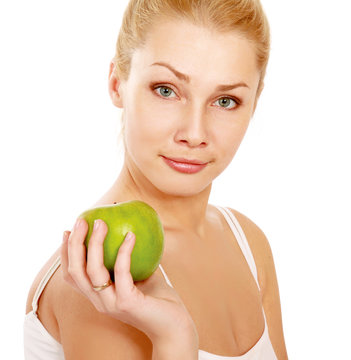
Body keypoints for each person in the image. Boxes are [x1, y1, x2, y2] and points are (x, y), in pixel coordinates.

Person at [24, 0, 288, 358]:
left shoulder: (249, 243)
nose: (194, 133)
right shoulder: (96, 275)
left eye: (225, 101)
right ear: (117, 83)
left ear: (254, 103)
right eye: (166, 90)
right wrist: (174, 336)